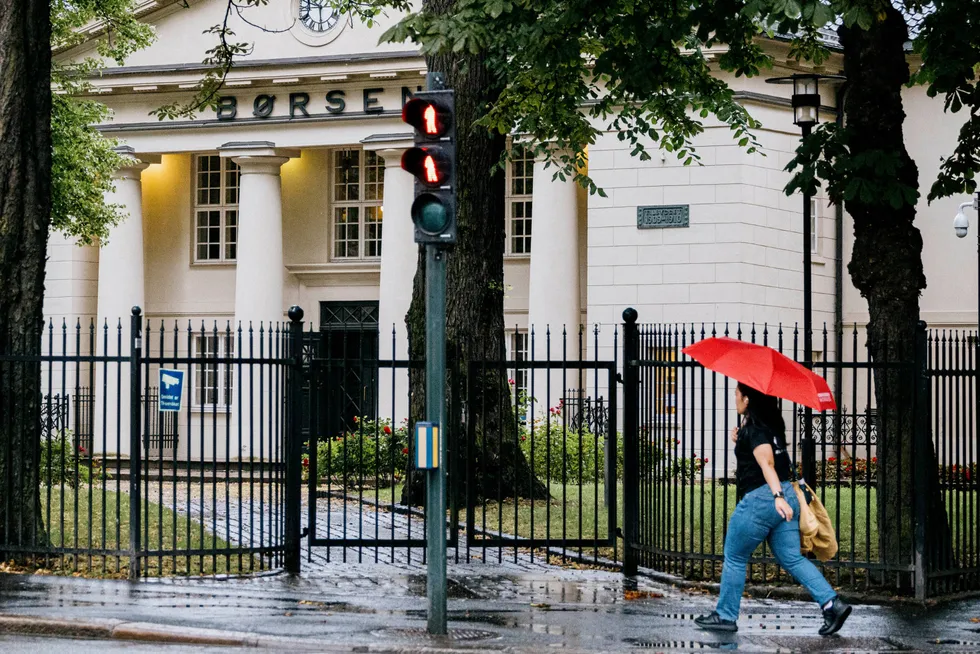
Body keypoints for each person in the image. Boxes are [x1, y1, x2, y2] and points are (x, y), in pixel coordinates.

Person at [694, 382, 851, 636]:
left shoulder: (756, 430)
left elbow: (766, 464)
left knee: (734, 555)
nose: (735, 398)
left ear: (747, 400)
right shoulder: (770, 428)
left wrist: (777, 496)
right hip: (787, 495)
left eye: (737, 394)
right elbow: (766, 455)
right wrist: (740, 438)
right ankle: (832, 604)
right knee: (792, 558)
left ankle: (725, 616)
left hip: (764, 499)